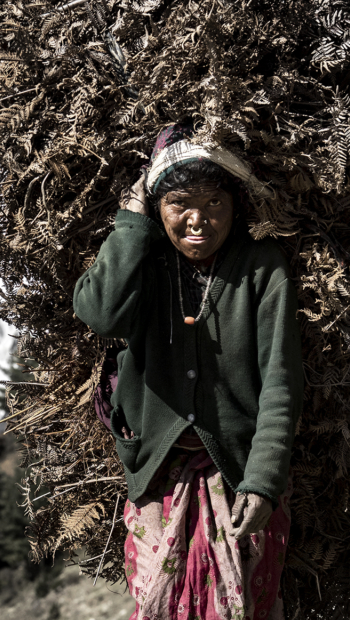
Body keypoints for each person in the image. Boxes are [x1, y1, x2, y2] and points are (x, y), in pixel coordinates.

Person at [73, 126, 304, 620]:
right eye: (179, 203)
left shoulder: (262, 270)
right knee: (159, 603)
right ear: (158, 207)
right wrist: (132, 224)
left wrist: (263, 482)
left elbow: (280, 382)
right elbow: (101, 314)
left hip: (240, 477)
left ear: (235, 205)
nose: (197, 219)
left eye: (214, 202)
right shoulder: (144, 265)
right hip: (158, 480)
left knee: (243, 606)